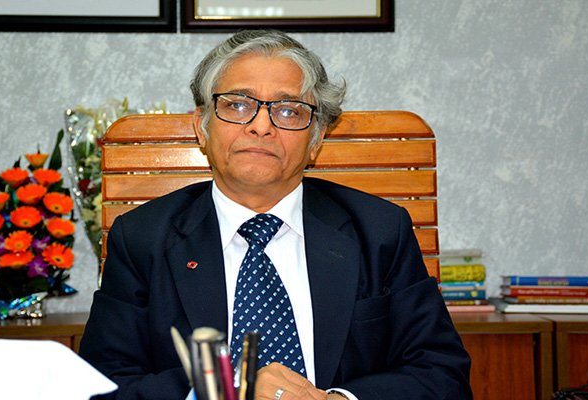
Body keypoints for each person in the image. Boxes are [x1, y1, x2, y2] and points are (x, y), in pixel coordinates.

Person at [79, 30, 472, 400]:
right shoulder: (142, 239)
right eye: (237, 104)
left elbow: (443, 374)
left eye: (288, 111)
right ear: (201, 128)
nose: (261, 126)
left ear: (316, 139)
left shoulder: (380, 231)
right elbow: (101, 385)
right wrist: (228, 391)